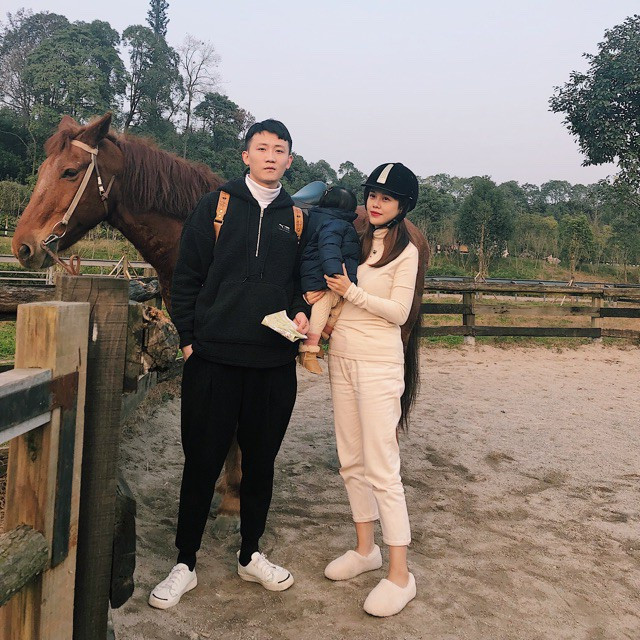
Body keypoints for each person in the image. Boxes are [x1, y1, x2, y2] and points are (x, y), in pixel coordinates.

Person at [149, 119, 310, 609]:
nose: (270, 156)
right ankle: (185, 562)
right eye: (262, 148)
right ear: (246, 155)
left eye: (279, 150)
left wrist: (301, 313)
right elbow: (187, 277)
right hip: (213, 360)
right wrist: (189, 342)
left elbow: (300, 285)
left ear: (289, 160)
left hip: (272, 365)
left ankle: (250, 554)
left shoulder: (297, 218)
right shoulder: (215, 206)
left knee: (261, 464)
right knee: (201, 462)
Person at [321, 162, 421, 617]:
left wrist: (351, 291)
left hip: (380, 365)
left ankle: (401, 575)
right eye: (372, 196)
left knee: (383, 467)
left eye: (386, 198)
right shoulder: (356, 239)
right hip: (342, 357)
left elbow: (399, 312)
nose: (376, 204)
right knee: (350, 459)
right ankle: (366, 549)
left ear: (402, 205)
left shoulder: (406, 252)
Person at [298, 186, 360, 374]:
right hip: (322, 277)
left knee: (340, 304)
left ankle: (322, 335)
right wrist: (336, 274)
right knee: (322, 305)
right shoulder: (336, 224)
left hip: (323, 275)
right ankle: (308, 349)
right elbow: (329, 249)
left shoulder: (328, 220)